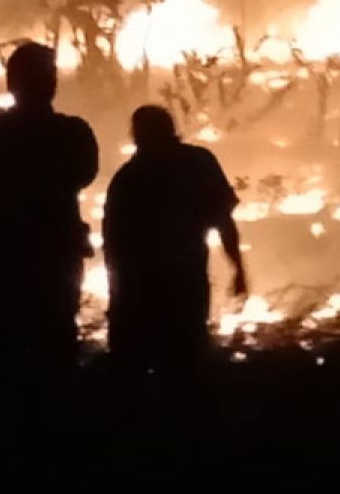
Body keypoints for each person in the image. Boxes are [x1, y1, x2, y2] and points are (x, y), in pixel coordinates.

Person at [102, 105, 248, 400]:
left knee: (135, 378)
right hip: (183, 286)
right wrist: (238, 268)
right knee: (183, 373)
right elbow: (223, 221)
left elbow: (112, 245)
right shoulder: (198, 164)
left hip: (141, 292)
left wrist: (117, 298)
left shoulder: (128, 178)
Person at [0, 42, 98, 386]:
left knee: (12, 355)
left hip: (7, 257)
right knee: (56, 344)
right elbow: (84, 173)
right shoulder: (72, 132)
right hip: (56, 253)